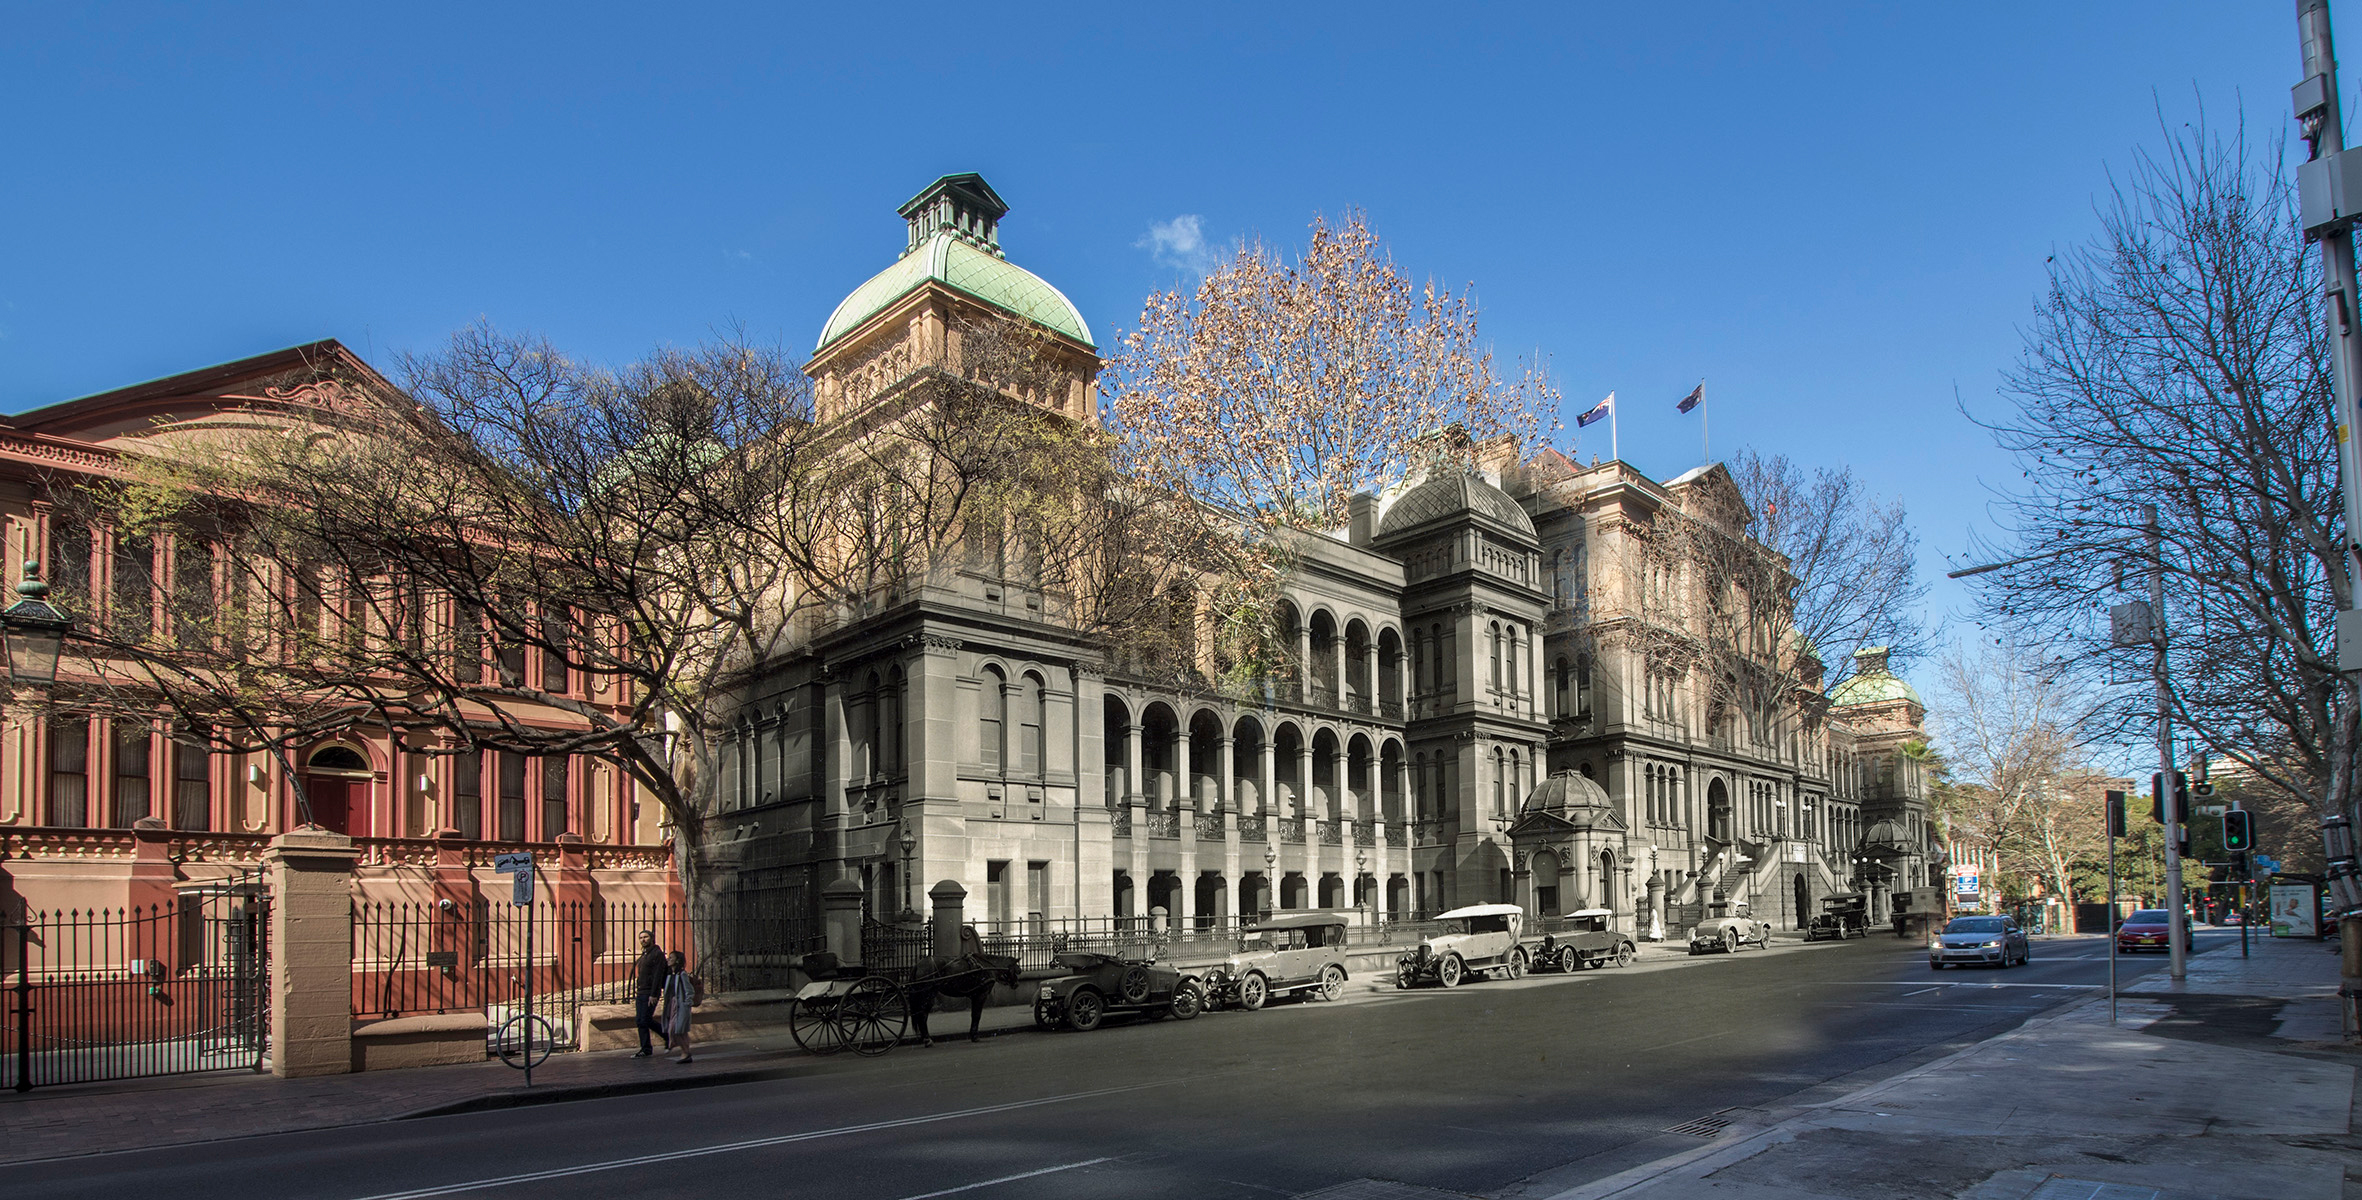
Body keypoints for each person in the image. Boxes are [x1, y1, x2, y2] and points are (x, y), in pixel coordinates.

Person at [631, 930, 667, 1059]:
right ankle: (647, 1047)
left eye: (645, 937)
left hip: (650, 992)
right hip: (641, 991)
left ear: (651, 938)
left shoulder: (657, 954)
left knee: (645, 1019)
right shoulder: (644, 954)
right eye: (640, 937)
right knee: (640, 1020)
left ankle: (665, 1037)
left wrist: (654, 994)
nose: (643, 940)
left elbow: (658, 975)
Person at [660, 950, 696, 1064]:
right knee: (676, 1029)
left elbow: (689, 991)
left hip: (681, 1005)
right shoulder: (671, 974)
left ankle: (685, 1052)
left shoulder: (682, 974)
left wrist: (687, 1003)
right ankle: (685, 1051)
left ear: (677, 960)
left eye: (671, 958)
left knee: (679, 1029)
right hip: (672, 1005)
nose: (668, 960)